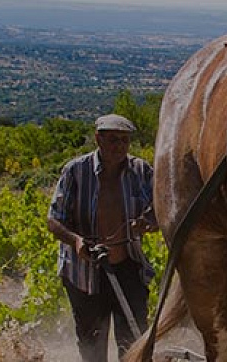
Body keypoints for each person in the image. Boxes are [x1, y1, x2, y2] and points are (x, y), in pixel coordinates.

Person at [47, 114, 157, 362]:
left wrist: (149, 223)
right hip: (83, 273)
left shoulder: (141, 171)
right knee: (91, 342)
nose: (119, 146)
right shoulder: (75, 171)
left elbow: (160, 210)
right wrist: (76, 241)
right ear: (98, 139)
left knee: (134, 340)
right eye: (112, 140)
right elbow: (54, 220)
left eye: (124, 140)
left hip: (128, 267)